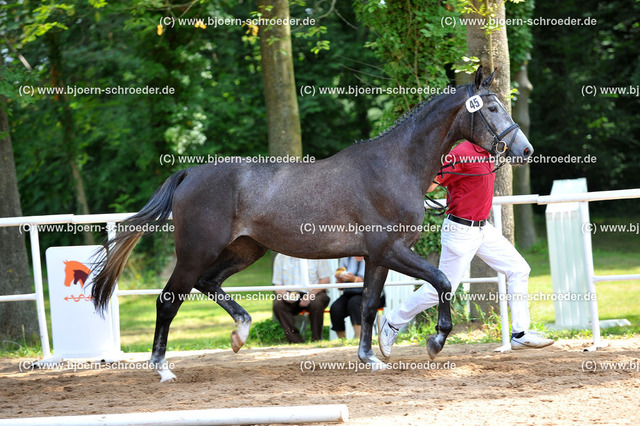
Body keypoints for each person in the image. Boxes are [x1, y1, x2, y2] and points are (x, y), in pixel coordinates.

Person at [379, 140, 554, 357]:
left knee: (519, 269)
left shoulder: (491, 151)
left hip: (483, 229)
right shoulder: (460, 152)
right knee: (440, 290)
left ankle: (519, 334)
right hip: (460, 231)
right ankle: (393, 321)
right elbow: (430, 185)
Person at [272, 253, 331, 343]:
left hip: (315, 292)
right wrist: (285, 295)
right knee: (278, 305)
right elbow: (278, 284)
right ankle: (296, 341)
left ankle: (316, 340)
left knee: (316, 303)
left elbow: (325, 280)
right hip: (291, 293)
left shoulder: (317, 253)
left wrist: (311, 295)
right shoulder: (281, 256)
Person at [330, 256, 385, 339]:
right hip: (349, 293)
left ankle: (359, 338)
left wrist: (354, 279)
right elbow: (340, 286)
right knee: (335, 308)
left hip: (371, 295)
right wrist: (340, 279)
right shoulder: (346, 258)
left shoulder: (373, 257)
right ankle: (342, 340)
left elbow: (374, 281)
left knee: (354, 303)